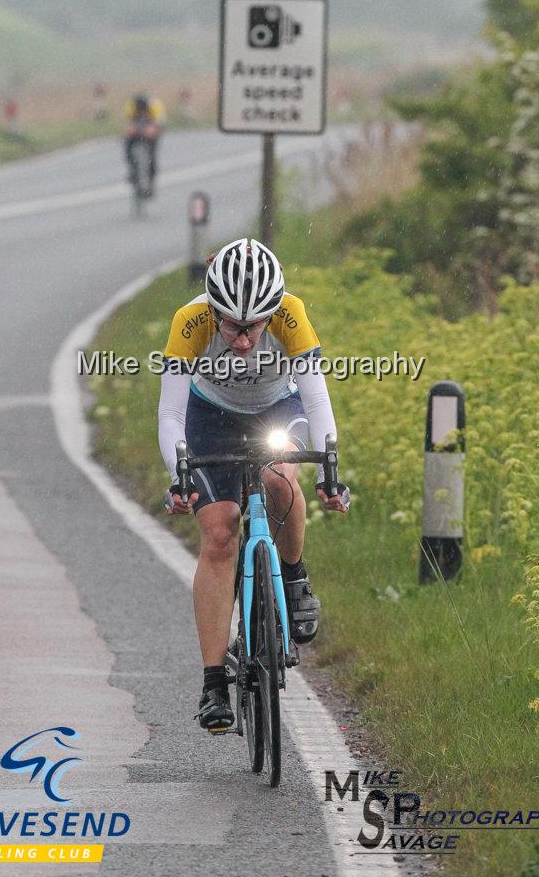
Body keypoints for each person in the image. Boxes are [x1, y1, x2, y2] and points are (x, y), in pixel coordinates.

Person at [158, 238, 349, 731]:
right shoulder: (190, 320)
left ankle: (294, 575)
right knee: (220, 532)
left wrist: (330, 469)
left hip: (275, 410)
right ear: (214, 310)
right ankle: (213, 683)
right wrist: (178, 476)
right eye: (232, 325)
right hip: (209, 416)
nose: (243, 339)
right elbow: (171, 413)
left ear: (273, 313)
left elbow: (318, 400)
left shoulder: (292, 314)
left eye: (254, 326)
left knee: (280, 479)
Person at [123, 93, 166, 187]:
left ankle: (152, 175)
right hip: (137, 123)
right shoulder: (130, 107)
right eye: (140, 110)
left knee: (152, 151)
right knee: (127, 145)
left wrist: (153, 131)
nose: (142, 112)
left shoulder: (156, 107)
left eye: (144, 110)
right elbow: (129, 124)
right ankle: (133, 171)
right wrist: (130, 132)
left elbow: (160, 125)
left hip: (152, 124)